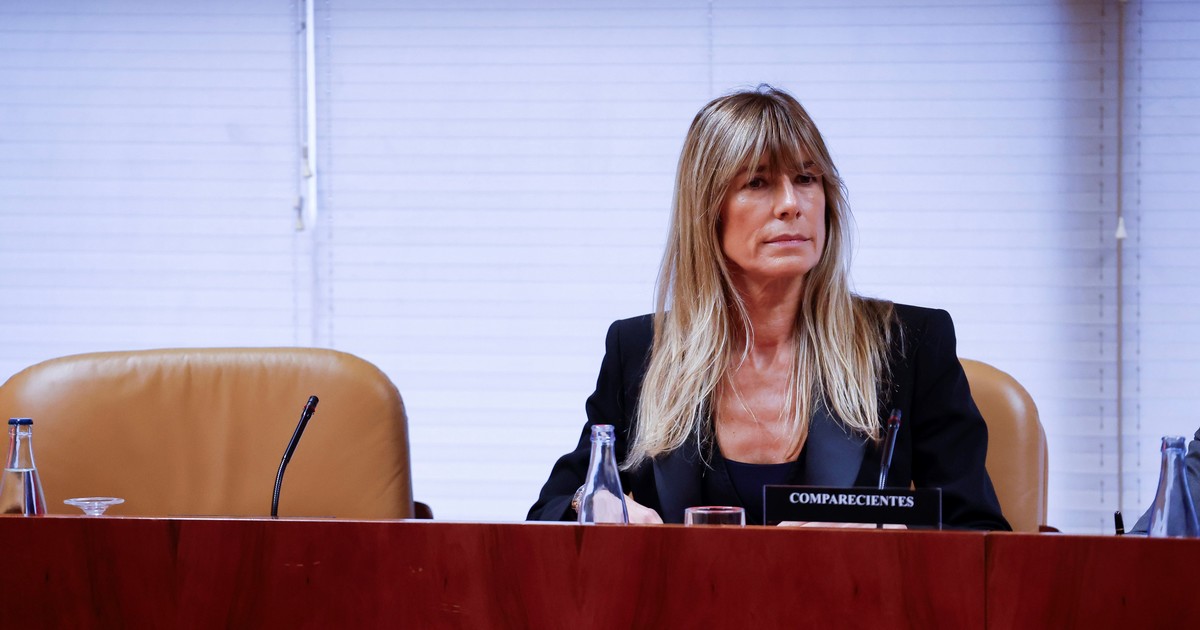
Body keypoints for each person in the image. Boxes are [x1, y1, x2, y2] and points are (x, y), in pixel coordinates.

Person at [527, 85, 1010, 530]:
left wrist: (882, 543)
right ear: (708, 210)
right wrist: (596, 501)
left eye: (806, 178)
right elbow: (550, 510)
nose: (790, 204)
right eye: (757, 182)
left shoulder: (908, 344)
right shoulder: (639, 350)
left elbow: (980, 532)